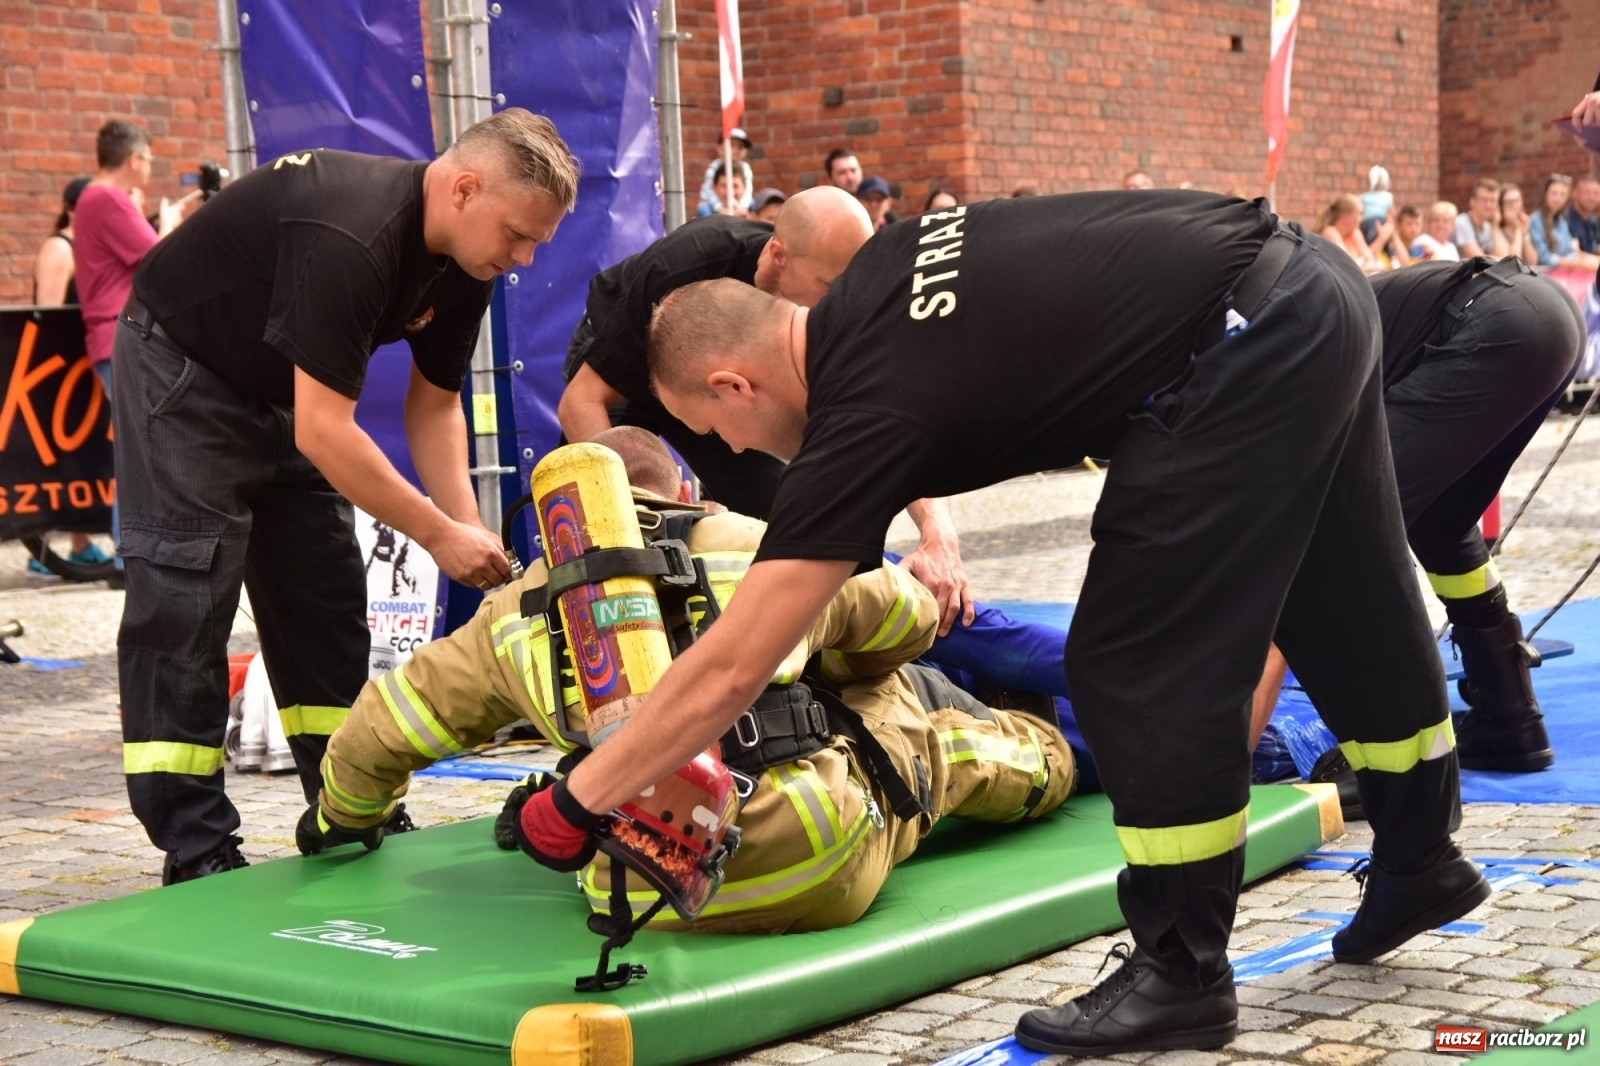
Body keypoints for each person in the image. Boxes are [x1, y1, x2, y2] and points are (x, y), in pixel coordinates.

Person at [519, 191, 1486, 1057]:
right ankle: (1421, 856)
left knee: (1134, 659)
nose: (732, 450)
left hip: (1240, 346)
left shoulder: (860, 411)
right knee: (1344, 584)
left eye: (717, 429)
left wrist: (581, 797)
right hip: (1315, 287)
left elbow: (737, 664)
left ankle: (1182, 974)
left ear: (733, 384)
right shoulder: (882, 276)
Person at [300, 427, 1076, 935]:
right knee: (898, 709)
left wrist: (343, 818)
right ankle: (1055, 753)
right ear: (685, 491)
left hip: (645, 890)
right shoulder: (752, 542)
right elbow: (906, 623)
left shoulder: (510, 613)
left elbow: (382, 726)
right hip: (813, 853)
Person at [112, 108, 579, 885]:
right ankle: (197, 848)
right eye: (518, 234)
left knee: (322, 598)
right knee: (185, 601)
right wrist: (436, 535)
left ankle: (346, 805)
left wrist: (470, 533)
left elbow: (432, 408)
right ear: (464, 189)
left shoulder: (468, 261)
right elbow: (328, 434)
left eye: (536, 242)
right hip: (183, 373)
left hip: (281, 392)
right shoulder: (355, 234)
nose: (523, 257)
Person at [556, 188, 975, 631]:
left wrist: (937, 531)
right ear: (779, 256)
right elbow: (580, 403)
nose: (845, 302)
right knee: (603, 520)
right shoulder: (685, 266)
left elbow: (889, 415)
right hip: (619, 375)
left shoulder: (846, 301)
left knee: (787, 519)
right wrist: (641, 531)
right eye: (832, 287)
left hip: (724, 389)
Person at [1249, 257, 1584, 796]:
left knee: (1339, 537)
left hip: (1492, 322)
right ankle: (1509, 716)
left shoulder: (1254, 375)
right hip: (1545, 319)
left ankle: (1394, 757)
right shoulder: (1269, 339)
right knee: (1441, 523)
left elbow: (1301, 549)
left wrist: (1220, 768)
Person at [74, 121, 185, 588]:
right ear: (134, 158)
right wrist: (171, 225)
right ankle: (130, 558)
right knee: (140, 448)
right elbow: (158, 258)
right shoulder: (108, 199)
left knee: (136, 444)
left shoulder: (93, 198)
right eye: (150, 158)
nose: (151, 165)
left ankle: (129, 554)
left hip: (109, 336)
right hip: (120, 335)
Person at [25, 175, 110, 576]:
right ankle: (39, 549)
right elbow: (49, 315)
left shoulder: (86, 246)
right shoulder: (60, 247)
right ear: (76, 207)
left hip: (83, 365)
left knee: (84, 454)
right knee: (54, 458)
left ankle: (79, 542)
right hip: (57, 370)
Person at [1529, 175, 1600, 272]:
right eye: (1554, 193)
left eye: (1562, 194)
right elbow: (1544, 257)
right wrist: (1578, 263)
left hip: (1566, 272)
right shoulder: (1535, 220)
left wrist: (1590, 260)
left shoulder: (1561, 222)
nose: (1558, 198)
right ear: (1545, 194)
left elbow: (1571, 251)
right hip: (1546, 275)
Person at [1316, 194, 1382, 274]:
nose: (1362, 219)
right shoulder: (1330, 232)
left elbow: (1371, 260)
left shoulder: (1355, 233)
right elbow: (1347, 266)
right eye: (1360, 214)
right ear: (1346, 215)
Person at [696, 127, 755, 216]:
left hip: (738, 205)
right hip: (714, 205)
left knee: (755, 207)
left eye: (740, 147)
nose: (736, 150)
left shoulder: (745, 168)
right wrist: (720, 208)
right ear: (719, 148)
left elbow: (748, 191)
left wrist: (741, 208)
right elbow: (709, 190)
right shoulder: (714, 167)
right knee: (703, 210)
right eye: (732, 145)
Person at [1452, 178, 1503, 259]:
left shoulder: (1487, 227)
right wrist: (1501, 260)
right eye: (1484, 200)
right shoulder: (1462, 223)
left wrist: (1495, 226)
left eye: (1493, 201)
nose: (1488, 205)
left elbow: (1504, 255)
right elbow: (1480, 260)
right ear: (1472, 202)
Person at [1497, 183, 1536, 265]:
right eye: (1509, 202)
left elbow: (1533, 262)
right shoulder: (1497, 229)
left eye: (1517, 201)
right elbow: (1513, 262)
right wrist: (1517, 228)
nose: (1514, 206)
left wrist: (1525, 235)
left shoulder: (1525, 223)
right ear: (1501, 205)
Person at [1564, 176, 1600, 254]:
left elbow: (1596, 247)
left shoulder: (1594, 221)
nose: (1592, 198)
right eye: (1587, 193)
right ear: (1575, 194)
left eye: (1596, 194)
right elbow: (1571, 253)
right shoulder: (1564, 219)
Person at [1359, 165, 1394, 244]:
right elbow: (1391, 213)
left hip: (1368, 223)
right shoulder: (1388, 196)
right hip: (1381, 221)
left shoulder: (1363, 197)